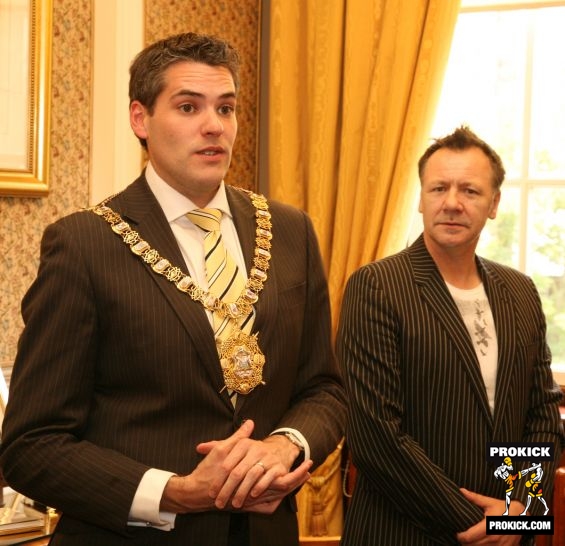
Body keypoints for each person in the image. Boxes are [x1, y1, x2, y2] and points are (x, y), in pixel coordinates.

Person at [0, 32, 346, 546]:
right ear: (141, 119)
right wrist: (174, 492)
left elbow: (324, 390)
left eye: (226, 108)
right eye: (188, 107)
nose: (214, 125)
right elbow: (30, 446)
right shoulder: (85, 244)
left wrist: (283, 445)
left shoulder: (291, 230)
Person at [336, 126, 564, 545]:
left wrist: (520, 511)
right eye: (439, 188)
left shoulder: (520, 290)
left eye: (470, 191)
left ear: (494, 203)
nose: (452, 203)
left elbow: (542, 414)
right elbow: (378, 435)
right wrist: (483, 525)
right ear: (421, 199)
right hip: (403, 533)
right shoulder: (376, 286)